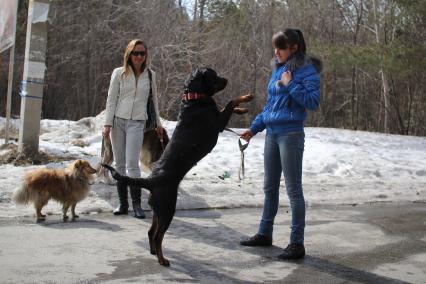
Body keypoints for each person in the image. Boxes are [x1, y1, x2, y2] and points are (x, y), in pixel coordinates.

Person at [239, 29, 321, 260]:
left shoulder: (307, 70)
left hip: (291, 134)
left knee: (294, 190)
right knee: (269, 188)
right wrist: (254, 128)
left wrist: (291, 84)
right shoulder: (278, 69)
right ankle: (265, 234)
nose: (276, 52)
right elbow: (270, 106)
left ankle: (297, 243)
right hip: (272, 134)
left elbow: (313, 102)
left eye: (281, 48)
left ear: (294, 48)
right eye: (275, 47)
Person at [103, 39, 164, 219]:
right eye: (135, 53)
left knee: (132, 165)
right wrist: (107, 123)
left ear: (146, 56)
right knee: (120, 164)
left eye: (142, 53)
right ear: (129, 54)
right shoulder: (118, 73)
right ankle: (123, 204)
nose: (138, 57)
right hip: (117, 122)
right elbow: (111, 99)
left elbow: (154, 102)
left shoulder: (151, 75)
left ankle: (137, 205)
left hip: (137, 123)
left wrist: (158, 123)